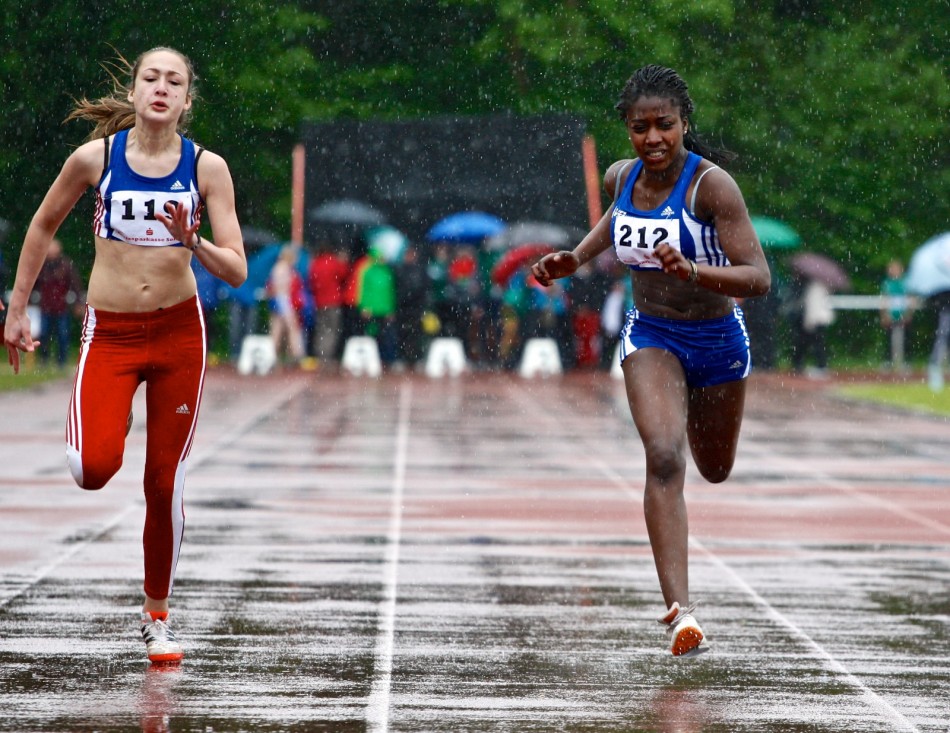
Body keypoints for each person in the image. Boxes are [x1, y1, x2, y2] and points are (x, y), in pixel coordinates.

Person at [2, 47, 247, 664]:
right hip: (110, 332)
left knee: (164, 482)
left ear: (187, 101)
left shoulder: (207, 169)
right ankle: (112, 412)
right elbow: (41, 225)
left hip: (177, 336)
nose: (161, 88)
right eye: (151, 78)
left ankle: (157, 616)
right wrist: (16, 309)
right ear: (134, 91)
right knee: (91, 467)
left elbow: (238, 269)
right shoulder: (96, 158)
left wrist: (196, 243)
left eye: (175, 82)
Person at [531, 64, 770, 657]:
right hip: (652, 335)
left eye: (665, 125)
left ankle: (693, 408)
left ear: (684, 123)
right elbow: (618, 221)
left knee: (713, 468)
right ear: (629, 131)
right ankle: (681, 612)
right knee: (664, 456)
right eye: (641, 128)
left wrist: (694, 270)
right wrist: (577, 257)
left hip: (717, 339)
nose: (653, 139)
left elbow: (758, 278)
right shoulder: (622, 177)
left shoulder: (712, 188)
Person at [33, 238, 85, 368]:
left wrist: (79, 302)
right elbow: (34, 284)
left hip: (61, 307)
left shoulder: (66, 265)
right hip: (45, 306)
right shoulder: (41, 265)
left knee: (62, 335)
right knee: (44, 335)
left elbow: (75, 284)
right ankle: (43, 360)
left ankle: (62, 362)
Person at [792, 276, 834, 377]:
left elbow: (813, 306)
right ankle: (821, 366)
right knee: (819, 343)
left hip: (816, 320)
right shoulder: (823, 286)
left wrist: (809, 322)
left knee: (816, 344)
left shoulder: (813, 288)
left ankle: (821, 366)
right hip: (822, 319)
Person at [879, 259, 912, 373]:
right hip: (891, 315)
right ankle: (888, 361)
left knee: (906, 339)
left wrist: (908, 314)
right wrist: (884, 315)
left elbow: (909, 299)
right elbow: (884, 299)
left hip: (902, 315)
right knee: (889, 339)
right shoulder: (887, 283)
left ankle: (905, 362)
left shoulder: (906, 283)